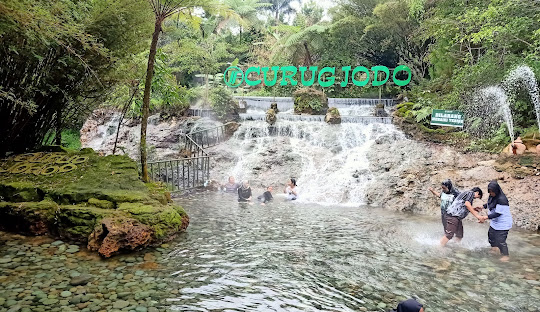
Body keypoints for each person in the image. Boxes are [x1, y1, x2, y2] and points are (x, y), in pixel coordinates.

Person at [476, 180, 513, 262]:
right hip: (495, 223)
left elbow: (497, 213)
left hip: (503, 223)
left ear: (496, 190)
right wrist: (482, 207)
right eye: (489, 192)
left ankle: (506, 256)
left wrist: (485, 217)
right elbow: (490, 204)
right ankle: (495, 249)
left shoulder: (502, 199)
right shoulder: (492, 196)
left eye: (492, 192)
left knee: (501, 240)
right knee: (491, 236)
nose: (491, 194)